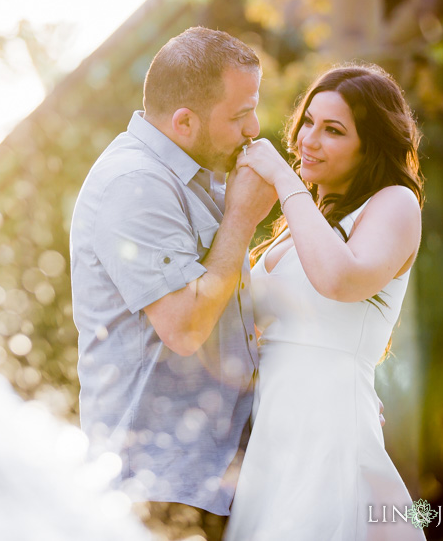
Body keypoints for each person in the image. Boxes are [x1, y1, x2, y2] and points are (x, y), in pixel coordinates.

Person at [70, 27, 276, 541]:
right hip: (156, 490)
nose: (254, 128)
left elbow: (234, 323)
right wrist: (242, 220)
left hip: (210, 481)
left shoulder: (200, 174)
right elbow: (185, 328)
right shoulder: (135, 185)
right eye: (238, 115)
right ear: (184, 121)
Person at [224, 63, 425, 540]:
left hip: (329, 427)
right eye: (308, 121)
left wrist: (281, 175)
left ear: (370, 145)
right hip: (273, 435)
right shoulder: (303, 222)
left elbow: (340, 279)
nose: (309, 139)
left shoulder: (395, 203)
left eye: (332, 130)